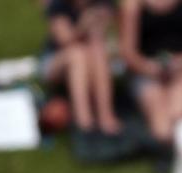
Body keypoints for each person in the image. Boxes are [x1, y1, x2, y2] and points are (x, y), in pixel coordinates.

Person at [119, 0, 182, 147]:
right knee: (162, 129)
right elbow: (128, 52)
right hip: (146, 72)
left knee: (179, 113)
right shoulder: (132, 6)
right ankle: (174, 147)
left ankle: (181, 148)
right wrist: (149, 68)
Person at [41, 0, 123, 138]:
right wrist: (82, 26)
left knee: (96, 49)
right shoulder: (59, 6)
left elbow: (117, 37)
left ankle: (105, 115)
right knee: (78, 54)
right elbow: (65, 41)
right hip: (59, 59)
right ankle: (84, 119)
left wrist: (101, 25)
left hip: (98, 56)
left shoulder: (104, 4)